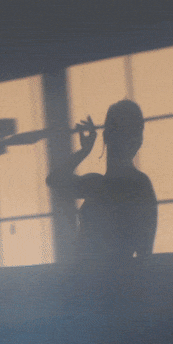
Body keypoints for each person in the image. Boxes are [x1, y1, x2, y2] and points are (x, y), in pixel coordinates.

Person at [47, 100, 158, 261]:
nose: (128, 139)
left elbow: (145, 254)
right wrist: (84, 151)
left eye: (131, 132)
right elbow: (54, 180)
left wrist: (84, 151)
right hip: (91, 273)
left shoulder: (135, 185)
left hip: (102, 274)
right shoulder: (101, 183)